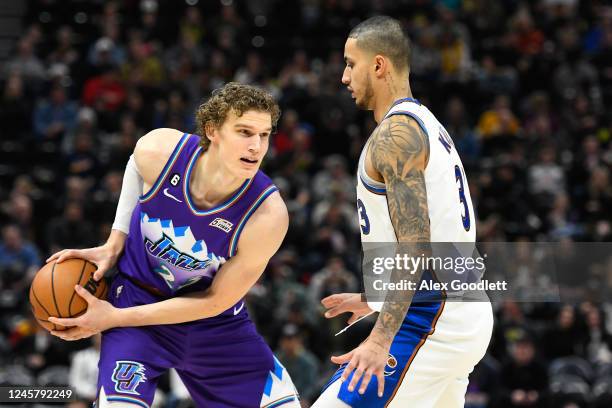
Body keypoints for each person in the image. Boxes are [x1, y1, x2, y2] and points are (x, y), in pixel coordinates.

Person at [47, 82, 300, 407]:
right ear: (212, 130)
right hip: (137, 301)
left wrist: (112, 319)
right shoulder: (161, 152)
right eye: (244, 131)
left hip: (213, 323)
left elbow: (213, 302)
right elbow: (136, 164)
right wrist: (116, 239)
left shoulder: (267, 215)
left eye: (264, 135)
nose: (256, 146)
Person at [312, 16, 493, 407]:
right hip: (458, 309)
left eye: (349, 63)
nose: (344, 77)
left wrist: (380, 339)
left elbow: (416, 245)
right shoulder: (427, 123)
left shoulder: (397, 136)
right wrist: (375, 296)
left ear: (378, 65)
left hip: (433, 317)